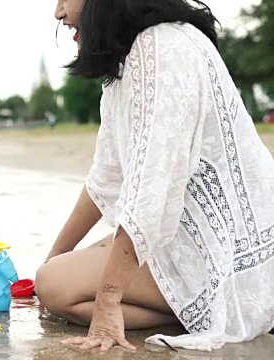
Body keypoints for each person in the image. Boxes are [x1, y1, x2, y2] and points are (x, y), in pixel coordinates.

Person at [35, 0, 274, 352]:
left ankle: (213, 313)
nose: (58, 14)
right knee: (60, 268)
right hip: (189, 236)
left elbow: (152, 189)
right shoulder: (133, 56)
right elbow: (106, 178)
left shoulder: (162, 49)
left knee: (55, 284)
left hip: (231, 259)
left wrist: (108, 303)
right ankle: (195, 309)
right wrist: (54, 254)